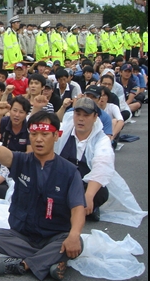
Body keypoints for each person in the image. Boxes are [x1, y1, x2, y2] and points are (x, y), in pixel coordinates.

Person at [0, 107, 86, 281]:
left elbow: (78, 207)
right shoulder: (20, 160)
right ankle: (52, 261)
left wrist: (74, 235)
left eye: (45, 135)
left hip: (54, 235)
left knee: (76, 241)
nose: (38, 140)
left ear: (56, 136)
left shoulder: (69, 171)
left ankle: (23, 264)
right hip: (23, 235)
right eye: (33, 135)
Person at [54, 97, 147, 227]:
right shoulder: (64, 131)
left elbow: (102, 166)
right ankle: (74, 209)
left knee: (101, 192)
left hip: (84, 185)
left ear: (95, 117)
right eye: (77, 114)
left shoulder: (101, 140)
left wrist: (89, 195)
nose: (80, 119)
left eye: (86, 115)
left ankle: (81, 208)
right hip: (63, 181)